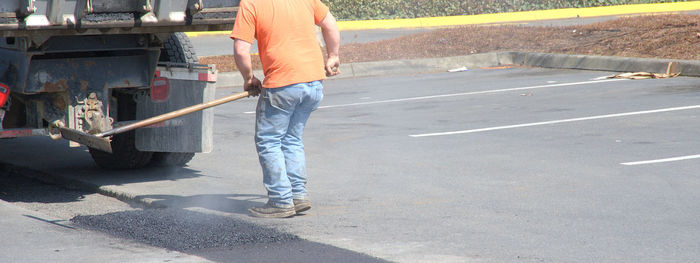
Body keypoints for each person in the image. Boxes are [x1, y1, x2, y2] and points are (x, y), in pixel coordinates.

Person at [230, 0, 340, 218]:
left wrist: (249, 78)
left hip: (283, 83)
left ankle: (281, 200)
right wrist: (333, 56)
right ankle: (298, 195)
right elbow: (330, 24)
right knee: (291, 138)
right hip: (313, 82)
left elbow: (241, 50)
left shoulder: (251, 3)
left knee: (269, 140)